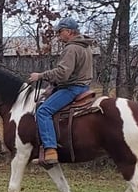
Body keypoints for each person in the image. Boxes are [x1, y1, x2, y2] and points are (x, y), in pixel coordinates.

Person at [28, 17, 95, 165]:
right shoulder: (85, 46)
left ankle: (50, 150)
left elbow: (63, 73)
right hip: (84, 87)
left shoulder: (71, 48)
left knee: (43, 111)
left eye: (61, 31)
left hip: (72, 89)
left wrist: (40, 76)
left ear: (69, 32)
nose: (59, 35)